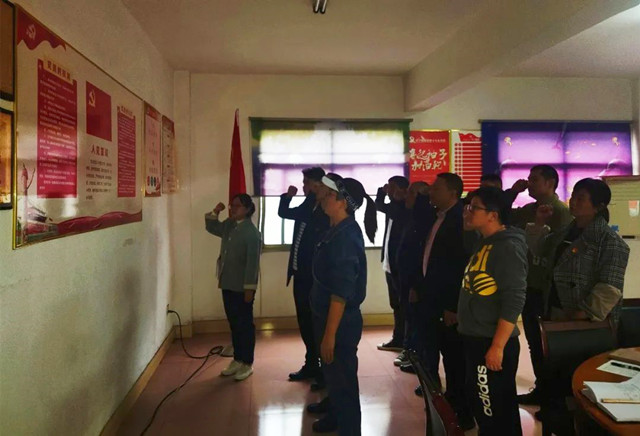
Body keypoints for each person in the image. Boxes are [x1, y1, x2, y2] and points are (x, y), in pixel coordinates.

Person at [526, 178, 630, 423]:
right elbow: (539, 250)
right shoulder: (566, 232)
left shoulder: (609, 241)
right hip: (556, 312)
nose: (573, 201)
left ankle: (576, 422)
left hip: (584, 321)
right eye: (573, 195)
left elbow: (610, 286)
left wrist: (581, 314)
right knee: (557, 369)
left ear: (598, 206)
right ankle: (557, 415)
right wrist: (538, 224)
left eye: (581, 198)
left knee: (578, 374)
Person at [307, 176, 377, 435]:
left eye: (328, 194)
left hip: (339, 322)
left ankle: (349, 429)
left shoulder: (345, 237)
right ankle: (335, 417)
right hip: (326, 316)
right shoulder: (335, 229)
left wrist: (330, 335)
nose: (322, 197)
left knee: (343, 382)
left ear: (342, 203)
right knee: (334, 378)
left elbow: (341, 293)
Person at [458, 186, 528, 436]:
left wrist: (497, 346)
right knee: (486, 405)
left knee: (491, 407)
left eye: (474, 208)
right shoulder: (484, 242)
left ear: (493, 215)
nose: (467, 212)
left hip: (491, 340)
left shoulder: (507, 247)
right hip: (476, 337)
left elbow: (514, 299)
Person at [410, 172, 473, 429]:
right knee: (436, 348)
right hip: (431, 296)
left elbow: (459, 268)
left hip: (448, 303)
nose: (431, 192)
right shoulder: (438, 216)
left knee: (454, 358)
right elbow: (427, 256)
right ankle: (449, 405)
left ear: (453, 193)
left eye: (436, 188)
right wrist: (419, 286)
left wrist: (452, 306)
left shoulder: (459, 220)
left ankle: (462, 414)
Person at [508, 164, 573, 405]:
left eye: (535, 179)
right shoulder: (529, 209)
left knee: (544, 342)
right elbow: (505, 219)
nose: (529, 183)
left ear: (550, 183)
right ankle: (542, 388)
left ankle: (551, 393)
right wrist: (512, 193)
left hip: (545, 287)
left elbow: (557, 252)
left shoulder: (561, 213)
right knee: (534, 341)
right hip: (528, 281)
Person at [278, 167, 330, 386]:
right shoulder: (309, 205)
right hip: (299, 274)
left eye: (307, 183)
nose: (303, 187)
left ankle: (324, 370)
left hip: (315, 278)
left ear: (319, 185)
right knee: (305, 322)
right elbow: (285, 213)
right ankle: (311, 364)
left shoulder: (326, 209)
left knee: (317, 323)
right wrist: (287, 197)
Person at [205, 194, 261, 381]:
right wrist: (216, 211)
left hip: (242, 287)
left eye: (237, 206)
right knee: (234, 323)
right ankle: (237, 359)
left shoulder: (252, 233)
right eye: (232, 205)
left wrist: (249, 289)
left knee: (245, 325)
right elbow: (211, 227)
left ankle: (247, 363)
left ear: (247, 209)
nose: (233, 209)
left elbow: (252, 265)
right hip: (227, 282)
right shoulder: (229, 225)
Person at [393, 181, 430, 368]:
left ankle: (416, 355)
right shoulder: (410, 216)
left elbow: (420, 255)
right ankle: (409, 351)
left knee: (417, 319)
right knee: (407, 314)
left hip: (415, 281)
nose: (406, 196)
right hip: (404, 277)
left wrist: (416, 284)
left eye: (411, 193)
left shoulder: (424, 221)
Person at [375, 176, 410, 352]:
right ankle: (398, 338)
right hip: (389, 262)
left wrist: (396, 197)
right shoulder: (392, 207)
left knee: (404, 305)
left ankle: (405, 341)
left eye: (392, 187)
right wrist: (381, 193)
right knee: (395, 303)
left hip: (400, 265)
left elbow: (395, 210)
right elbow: (379, 206)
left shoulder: (406, 207)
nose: (388, 190)